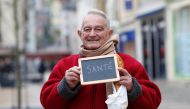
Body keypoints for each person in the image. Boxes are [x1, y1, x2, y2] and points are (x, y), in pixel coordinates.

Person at [40, 9, 161, 109]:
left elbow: (153, 102)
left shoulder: (129, 64)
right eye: (87, 29)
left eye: (98, 29)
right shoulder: (65, 65)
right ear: (80, 34)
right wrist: (65, 86)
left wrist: (133, 88)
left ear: (109, 33)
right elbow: (47, 103)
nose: (92, 34)